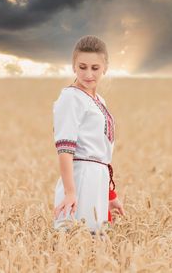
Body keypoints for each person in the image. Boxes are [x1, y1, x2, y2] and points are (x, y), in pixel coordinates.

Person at [53, 35, 124, 234]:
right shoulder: (70, 97)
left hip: (98, 179)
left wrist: (109, 195)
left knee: (96, 248)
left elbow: (101, 153)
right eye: (82, 67)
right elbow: (65, 149)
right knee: (76, 241)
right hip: (80, 178)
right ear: (73, 66)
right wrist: (70, 192)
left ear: (105, 68)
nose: (88, 74)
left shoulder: (99, 99)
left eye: (95, 68)